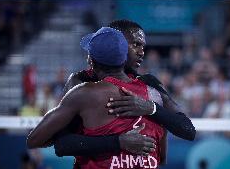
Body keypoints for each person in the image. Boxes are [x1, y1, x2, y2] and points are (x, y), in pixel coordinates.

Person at [52, 20, 196, 158]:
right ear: (116, 42)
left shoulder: (149, 83)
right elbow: (62, 145)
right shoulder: (81, 81)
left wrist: (150, 108)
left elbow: (188, 130)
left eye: (143, 46)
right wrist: (119, 142)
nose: (141, 52)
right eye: (136, 44)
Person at [27, 27, 165, 168]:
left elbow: (34, 140)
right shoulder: (154, 94)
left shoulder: (83, 94)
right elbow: (162, 157)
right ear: (125, 58)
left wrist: (110, 142)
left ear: (91, 61)